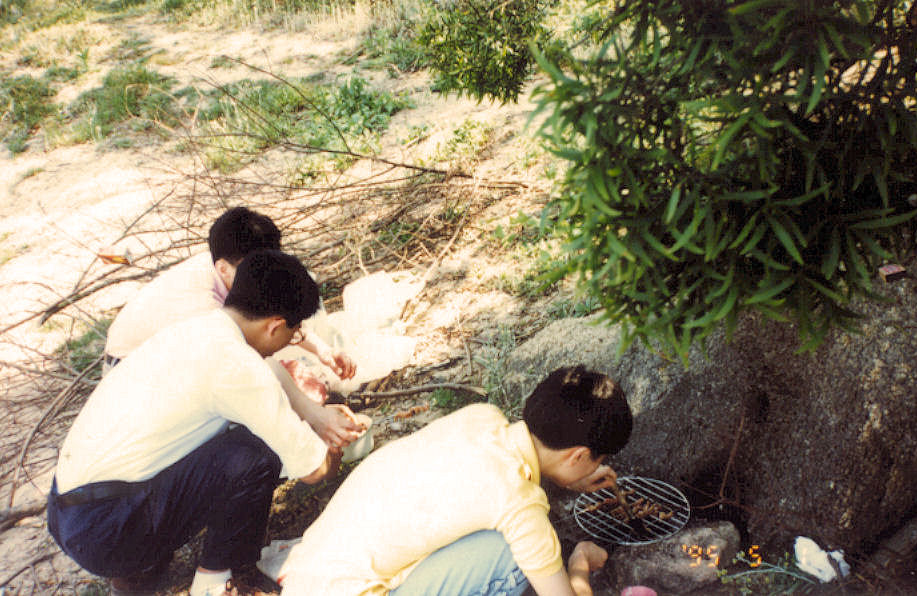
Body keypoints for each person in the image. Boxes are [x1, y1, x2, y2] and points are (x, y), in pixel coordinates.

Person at [48, 250, 342, 596]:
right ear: (275, 325)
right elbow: (313, 470)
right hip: (108, 530)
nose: (288, 343)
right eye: (292, 333)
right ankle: (215, 581)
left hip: (67, 515)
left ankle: (137, 569)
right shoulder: (238, 365)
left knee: (231, 435)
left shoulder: (195, 327)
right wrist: (335, 441)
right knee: (259, 450)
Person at [279, 365, 634, 596]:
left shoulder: (482, 417)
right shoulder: (518, 504)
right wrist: (580, 563)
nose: (595, 469)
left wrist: (568, 480)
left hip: (308, 573)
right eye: (596, 461)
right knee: (511, 556)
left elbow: (480, 486)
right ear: (578, 455)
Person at [103, 206, 361, 449]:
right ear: (223, 268)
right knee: (252, 410)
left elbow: (272, 316)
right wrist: (315, 415)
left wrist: (322, 350)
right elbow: (247, 359)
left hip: (173, 360)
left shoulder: (230, 266)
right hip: (134, 380)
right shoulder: (201, 304)